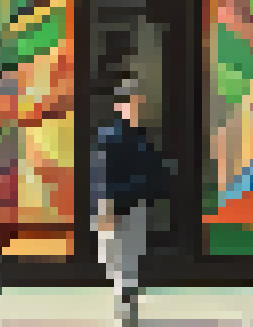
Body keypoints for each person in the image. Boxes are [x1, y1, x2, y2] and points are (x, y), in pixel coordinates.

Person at [91, 79, 170, 327]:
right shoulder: (113, 136)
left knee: (127, 259)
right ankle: (126, 305)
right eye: (133, 102)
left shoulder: (140, 138)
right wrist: (105, 206)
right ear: (121, 105)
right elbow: (101, 175)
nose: (137, 108)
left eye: (139, 103)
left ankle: (127, 305)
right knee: (118, 259)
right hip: (119, 206)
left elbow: (155, 176)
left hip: (132, 206)